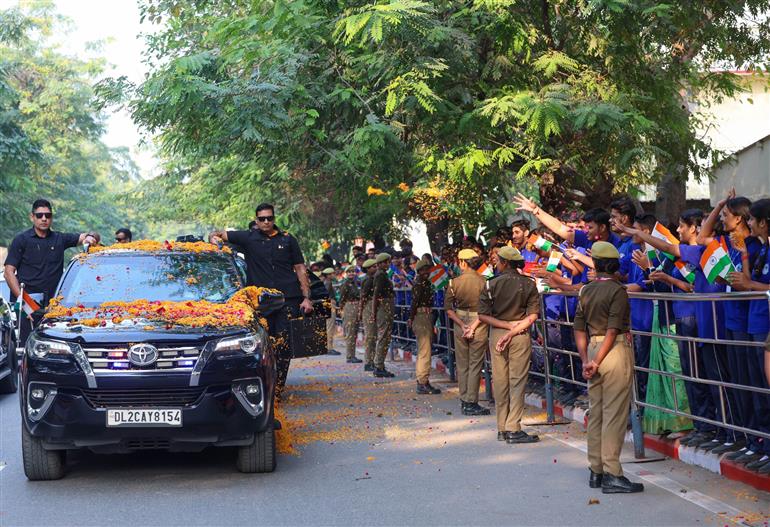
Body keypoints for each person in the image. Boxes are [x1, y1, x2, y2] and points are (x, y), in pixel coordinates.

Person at [209, 202, 314, 396]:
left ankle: (277, 390)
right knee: (260, 346)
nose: (266, 222)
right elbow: (216, 234)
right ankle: (262, 388)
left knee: (283, 345)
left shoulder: (288, 240)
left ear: (274, 219)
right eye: (262, 219)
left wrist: (307, 298)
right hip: (260, 303)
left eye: (270, 218)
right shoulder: (248, 238)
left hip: (287, 298)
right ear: (256, 220)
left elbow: (300, 267)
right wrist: (215, 241)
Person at [573, 241, 644, 494]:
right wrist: (598, 360)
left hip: (592, 347)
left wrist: (586, 360)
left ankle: (596, 469)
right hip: (612, 352)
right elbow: (614, 329)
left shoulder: (585, 291)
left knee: (597, 411)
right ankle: (613, 472)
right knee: (614, 414)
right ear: (615, 266)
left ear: (595, 264)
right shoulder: (617, 291)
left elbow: (579, 328)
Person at [4, 199, 100, 345]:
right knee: (25, 347)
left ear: (51, 218)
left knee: (54, 346)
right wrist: (24, 302)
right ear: (32, 217)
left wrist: (91, 236)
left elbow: (86, 236)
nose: (44, 219)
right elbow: (8, 272)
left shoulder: (59, 239)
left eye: (47, 215)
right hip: (26, 304)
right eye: (40, 215)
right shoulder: (21, 240)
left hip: (53, 307)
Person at [479, 246, 540, 444]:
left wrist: (505, 327)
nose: (495, 264)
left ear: (504, 263)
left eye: (498, 261)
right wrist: (513, 329)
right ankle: (514, 427)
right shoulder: (528, 284)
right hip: (520, 333)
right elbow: (533, 316)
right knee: (517, 381)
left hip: (497, 334)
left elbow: (482, 316)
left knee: (500, 381)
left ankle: (502, 427)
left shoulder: (491, 284)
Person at [727, 198, 770, 473]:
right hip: (755, 324)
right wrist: (742, 257)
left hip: (764, 324)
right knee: (755, 387)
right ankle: (760, 443)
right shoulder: (763, 250)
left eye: (753, 220)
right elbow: (747, 283)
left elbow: (755, 285)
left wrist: (749, 283)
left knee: (765, 389)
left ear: (763, 222)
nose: (750, 224)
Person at [445, 248, 491, 415]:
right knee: (475, 364)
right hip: (479, 322)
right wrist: (472, 326)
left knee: (462, 363)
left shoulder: (453, 282)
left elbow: (448, 309)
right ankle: (472, 402)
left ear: (462, 262)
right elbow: (487, 308)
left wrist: (463, 325)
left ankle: (464, 399)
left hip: (459, 323)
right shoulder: (484, 282)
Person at [513, 194, 622, 253]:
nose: (585, 230)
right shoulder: (586, 238)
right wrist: (536, 210)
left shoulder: (619, 244)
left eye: (590, 227)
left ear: (602, 227)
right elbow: (559, 227)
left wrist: (554, 252)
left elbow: (573, 270)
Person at [409, 259, 440, 394]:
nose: (427, 272)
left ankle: (423, 380)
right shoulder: (419, 284)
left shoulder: (426, 283)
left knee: (425, 349)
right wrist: (410, 317)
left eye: (429, 269)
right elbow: (415, 302)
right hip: (421, 315)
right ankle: (422, 382)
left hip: (425, 315)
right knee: (425, 350)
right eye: (424, 270)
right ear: (419, 271)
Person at [371, 252, 396, 378]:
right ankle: (378, 366)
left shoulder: (383, 274)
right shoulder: (380, 275)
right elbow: (376, 295)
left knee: (385, 336)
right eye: (385, 262)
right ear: (380, 264)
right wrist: (374, 312)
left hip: (386, 306)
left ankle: (379, 364)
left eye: (388, 261)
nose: (388, 264)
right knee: (383, 336)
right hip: (383, 307)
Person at [339, 265, 364, 364]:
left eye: (353, 271)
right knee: (351, 332)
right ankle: (350, 356)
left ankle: (352, 355)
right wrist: (343, 309)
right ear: (346, 273)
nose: (351, 273)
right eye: (349, 272)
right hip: (349, 307)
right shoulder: (345, 284)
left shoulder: (355, 283)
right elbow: (342, 298)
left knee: (354, 332)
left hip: (355, 307)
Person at [359, 258, 378, 371]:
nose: (375, 268)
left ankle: (372, 360)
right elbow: (363, 297)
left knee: (373, 335)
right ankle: (368, 362)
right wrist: (361, 311)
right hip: (368, 307)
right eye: (373, 267)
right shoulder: (368, 280)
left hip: (371, 306)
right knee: (370, 336)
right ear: (367, 269)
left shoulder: (372, 278)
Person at [322, 268, 341, 356]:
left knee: (328, 326)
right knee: (330, 327)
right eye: (332, 274)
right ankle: (329, 348)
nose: (334, 275)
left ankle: (328, 347)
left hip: (328, 304)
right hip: (330, 303)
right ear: (328, 275)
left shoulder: (326, 282)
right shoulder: (328, 283)